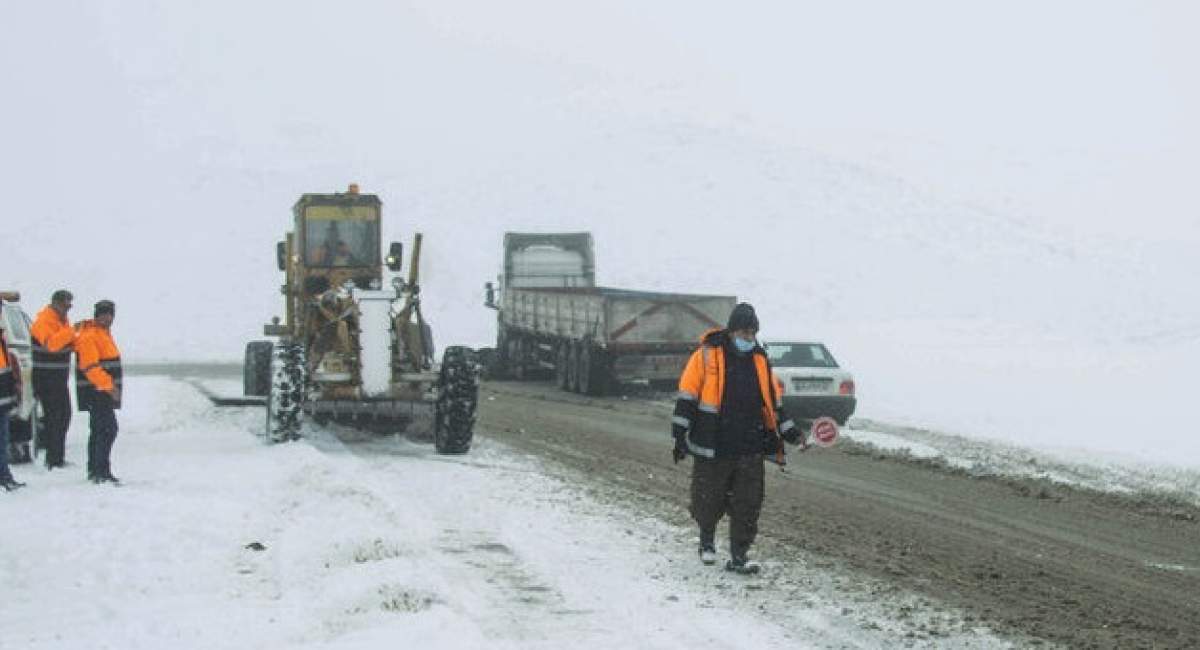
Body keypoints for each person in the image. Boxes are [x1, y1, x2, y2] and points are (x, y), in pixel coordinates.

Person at [670, 302, 806, 574]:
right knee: (708, 498)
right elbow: (687, 397)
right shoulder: (706, 355)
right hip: (714, 444)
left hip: (750, 446)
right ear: (732, 331)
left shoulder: (760, 360)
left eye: (753, 333)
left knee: (748, 504)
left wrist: (792, 433)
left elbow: (773, 403)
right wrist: (679, 435)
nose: (749, 338)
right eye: (744, 332)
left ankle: (739, 555)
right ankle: (707, 542)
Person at [75, 300, 122, 485]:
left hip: (101, 391)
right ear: (97, 315)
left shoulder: (104, 334)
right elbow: (90, 367)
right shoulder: (90, 336)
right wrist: (110, 387)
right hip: (96, 391)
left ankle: (96, 470)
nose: (107, 318)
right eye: (103, 314)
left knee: (99, 430)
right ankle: (100, 471)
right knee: (108, 429)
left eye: (110, 314)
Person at [30, 289, 76, 469]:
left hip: (58, 379)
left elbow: (67, 342)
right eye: (66, 305)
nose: (68, 308)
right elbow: (52, 345)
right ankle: (53, 459)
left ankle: (57, 457)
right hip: (46, 378)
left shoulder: (61, 322)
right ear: (56, 303)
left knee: (64, 415)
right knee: (54, 417)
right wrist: (72, 332)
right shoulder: (43, 322)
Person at [1, 307, 27, 491]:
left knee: (3, 441)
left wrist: (15, 389)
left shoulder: (2, 337)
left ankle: (4, 476)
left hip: (3, 400)